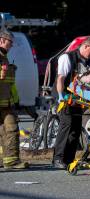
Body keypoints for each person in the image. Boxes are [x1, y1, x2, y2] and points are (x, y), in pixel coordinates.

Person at [52, 37, 90, 169]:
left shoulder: (88, 61)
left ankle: (69, 159)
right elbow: (60, 78)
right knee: (66, 126)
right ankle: (58, 159)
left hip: (78, 98)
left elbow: (87, 79)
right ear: (86, 47)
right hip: (65, 96)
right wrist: (61, 96)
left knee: (75, 129)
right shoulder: (67, 58)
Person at [0, 29, 29, 170]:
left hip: (6, 103)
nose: (11, 46)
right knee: (9, 130)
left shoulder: (4, 57)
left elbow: (10, 83)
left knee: (10, 130)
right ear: (2, 40)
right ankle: (10, 161)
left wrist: (16, 100)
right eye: (10, 43)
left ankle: (10, 161)